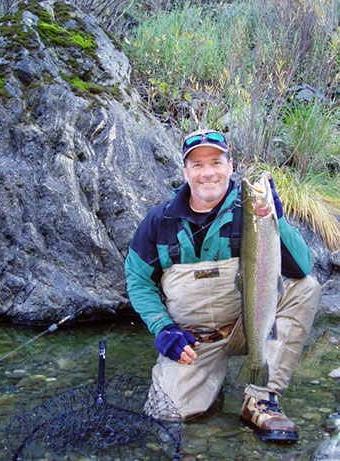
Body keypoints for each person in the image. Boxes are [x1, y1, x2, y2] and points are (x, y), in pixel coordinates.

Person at [125, 129, 322, 443]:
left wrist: (277, 220)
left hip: (249, 325)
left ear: (230, 166)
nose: (208, 173)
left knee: (306, 287)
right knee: (165, 417)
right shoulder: (157, 222)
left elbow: (301, 268)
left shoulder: (252, 210)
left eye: (216, 162)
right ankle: (206, 384)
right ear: (185, 170)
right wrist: (162, 328)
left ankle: (261, 397)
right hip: (196, 341)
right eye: (198, 165)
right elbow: (137, 280)